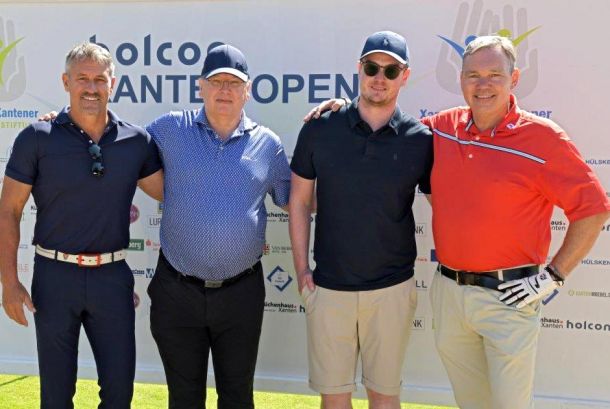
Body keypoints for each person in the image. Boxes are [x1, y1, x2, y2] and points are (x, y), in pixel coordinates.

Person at [308, 35, 610, 409]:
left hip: (510, 296)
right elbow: (385, 122)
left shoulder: (544, 138)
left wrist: (554, 275)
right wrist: (345, 110)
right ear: (461, 78)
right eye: (473, 75)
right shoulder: (441, 128)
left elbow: (594, 209)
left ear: (514, 78)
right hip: (450, 293)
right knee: (472, 403)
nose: (483, 85)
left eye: (494, 74)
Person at [0, 42, 163, 409]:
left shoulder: (136, 141)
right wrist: (9, 282)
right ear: (66, 82)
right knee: (56, 397)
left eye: (100, 80)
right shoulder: (37, 138)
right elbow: (9, 210)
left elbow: (169, 192)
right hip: (54, 278)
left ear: (113, 84)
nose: (92, 88)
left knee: (119, 394)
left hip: (112, 278)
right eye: (82, 79)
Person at [289, 31, 433, 409]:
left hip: (392, 289)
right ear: (359, 69)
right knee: (334, 400)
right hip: (328, 287)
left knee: (384, 398)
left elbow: (446, 207)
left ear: (405, 76)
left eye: (391, 70)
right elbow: (299, 201)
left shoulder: (420, 139)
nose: (379, 78)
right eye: (372, 68)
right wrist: (301, 270)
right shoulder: (320, 127)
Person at [145, 44, 291, 409]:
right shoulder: (169, 129)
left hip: (241, 294)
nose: (224, 90)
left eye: (234, 82)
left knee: (238, 399)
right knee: (184, 400)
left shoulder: (268, 145)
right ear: (201, 86)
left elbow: (294, 200)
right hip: (177, 291)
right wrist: (64, 119)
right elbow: (118, 144)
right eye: (216, 81)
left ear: (247, 90)